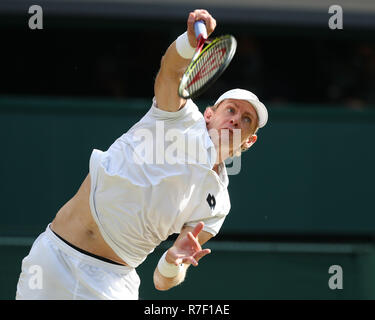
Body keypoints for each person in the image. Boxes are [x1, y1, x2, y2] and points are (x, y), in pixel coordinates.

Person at [15, 9, 268, 300]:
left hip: (110, 287)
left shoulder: (217, 206)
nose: (236, 119)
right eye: (231, 110)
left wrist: (175, 260)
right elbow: (170, 70)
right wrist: (188, 41)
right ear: (209, 114)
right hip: (53, 260)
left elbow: (162, 280)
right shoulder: (178, 117)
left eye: (246, 120)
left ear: (249, 142)